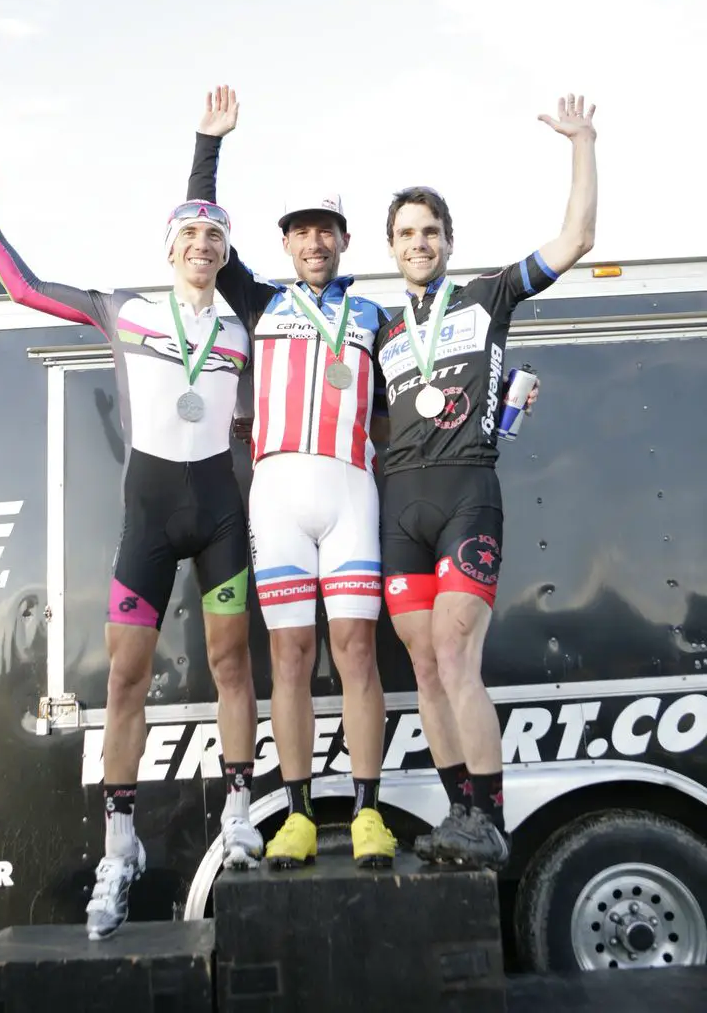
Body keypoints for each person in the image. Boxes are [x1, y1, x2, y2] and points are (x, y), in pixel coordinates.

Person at [0, 149, 263, 940]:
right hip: (149, 516)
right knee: (126, 680)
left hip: (222, 511)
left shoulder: (242, 324)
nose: (202, 244)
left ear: (225, 255)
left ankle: (238, 812)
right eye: (190, 233)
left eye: (214, 237)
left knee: (233, 665)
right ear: (169, 249)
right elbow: (26, 289)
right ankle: (117, 845)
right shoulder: (124, 309)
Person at [376, 94, 598, 867]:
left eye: (431, 231)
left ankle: (490, 822)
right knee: (424, 666)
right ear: (393, 247)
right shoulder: (378, 329)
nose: (420, 243)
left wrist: (582, 141)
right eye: (407, 233)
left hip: (469, 491)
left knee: (455, 650)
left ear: (447, 241)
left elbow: (576, 239)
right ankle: (461, 814)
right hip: (399, 502)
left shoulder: (487, 297)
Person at [185, 87, 396, 869]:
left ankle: (370, 811)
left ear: (343, 241)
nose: (314, 241)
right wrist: (209, 143)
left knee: (358, 652)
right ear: (287, 244)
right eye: (302, 231)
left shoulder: (376, 316)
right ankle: (301, 814)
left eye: (326, 230)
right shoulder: (257, 299)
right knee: (291, 657)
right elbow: (199, 222)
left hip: (351, 490)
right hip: (275, 492)